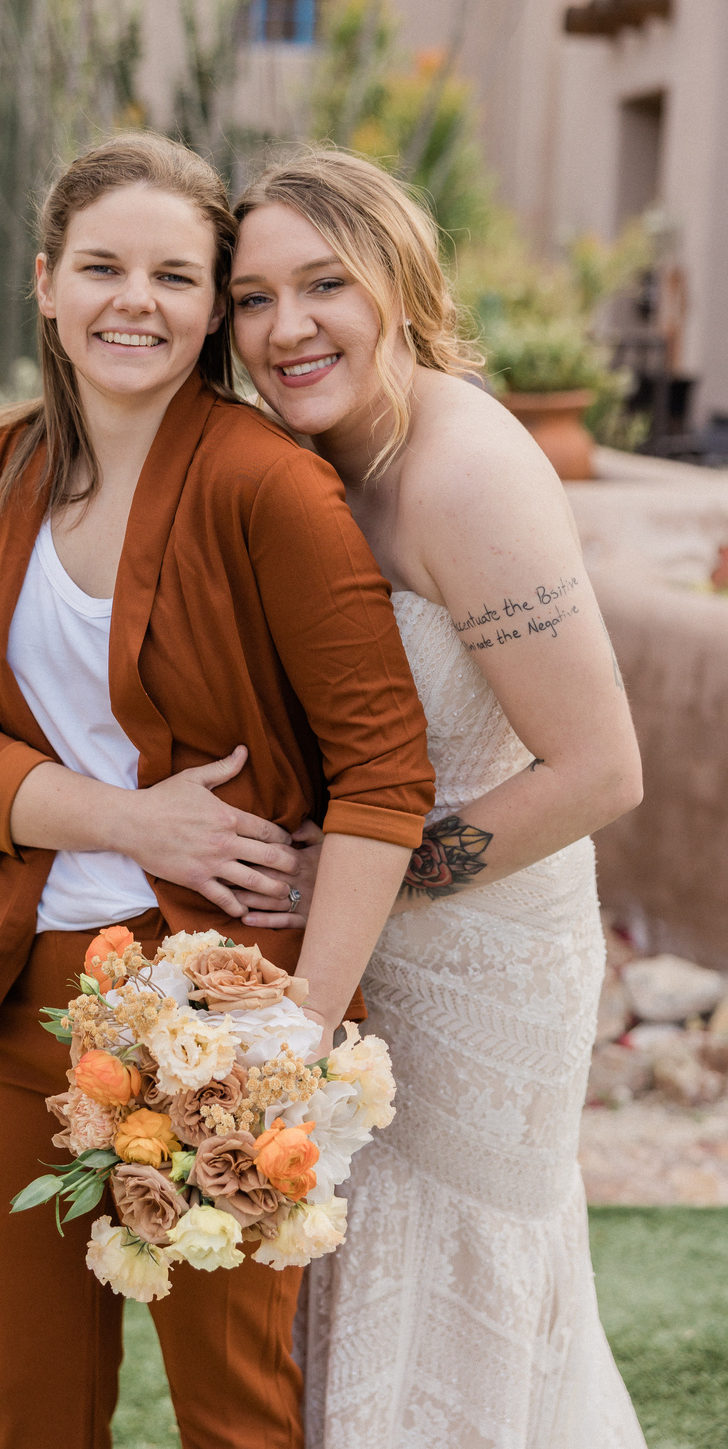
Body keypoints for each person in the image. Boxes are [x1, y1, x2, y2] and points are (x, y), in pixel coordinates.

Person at [0, 133, 435, 1449]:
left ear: (207, 310)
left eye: (174, 275)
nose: (132, 299)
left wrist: (296, 1030)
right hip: (20, 1002)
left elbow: (383, 773)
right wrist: (128, 818)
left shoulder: (267, 483)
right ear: (44, 283)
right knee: (36, 1412)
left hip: (222, 1019)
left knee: (233, 1415)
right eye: (100, 266)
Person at [228, 150, 647, 1449]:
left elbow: (600, 768)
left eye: (322, 284)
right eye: (250, 297)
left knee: (458, 1259)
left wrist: (361, 872)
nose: (284, 326)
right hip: (359, 940)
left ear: (398, 289)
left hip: (484, 952)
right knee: (357, 1256)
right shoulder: (314, 454)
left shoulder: (464, 468)